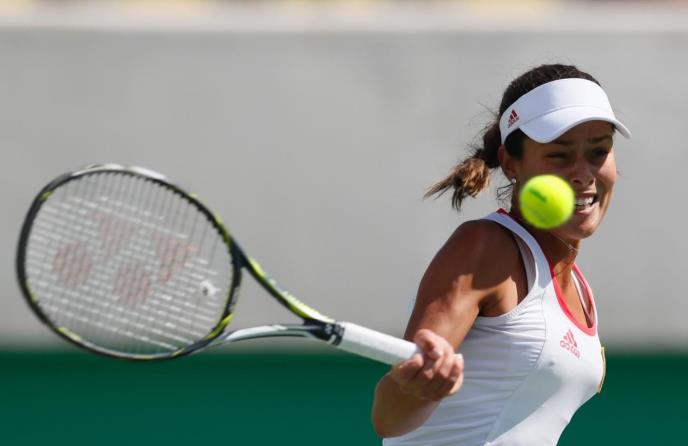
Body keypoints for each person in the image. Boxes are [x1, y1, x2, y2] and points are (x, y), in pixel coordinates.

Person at [371, 64, 631, 445]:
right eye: (560, 155)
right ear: (511, 163)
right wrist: (418, 386)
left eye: (599, 151)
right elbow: (390, 417)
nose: (584, 173)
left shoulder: (580, 288)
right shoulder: (485, 247)